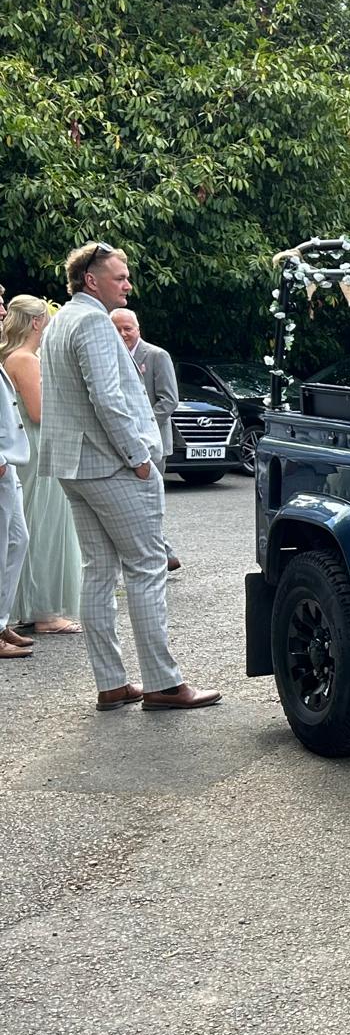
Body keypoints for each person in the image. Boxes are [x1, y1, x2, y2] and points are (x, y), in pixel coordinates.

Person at [36, 242, 219, 711]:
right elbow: (108, 397)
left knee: (98, 572)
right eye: (120, 277)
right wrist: (138, 455)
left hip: (73, 465)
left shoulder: (60, 322)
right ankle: (162, 683)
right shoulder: (94, 322)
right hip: (110, 464)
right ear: (91, 280)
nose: (128, 284)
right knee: (146, 568)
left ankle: (112, 684)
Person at [0, 295, 82, 634]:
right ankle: (44, 611)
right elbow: (39, 412)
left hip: (28, 449)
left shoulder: (10, 356)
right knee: (44, 526)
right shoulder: (25, 359)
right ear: (37, 322)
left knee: (25, 527)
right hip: (36, 447)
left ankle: (27, 608)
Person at [110, 308, 180, 571]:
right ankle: (162, 553)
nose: (123, 333)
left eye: (127, 328)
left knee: (149, 502)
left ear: (138, 329)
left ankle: (160, 554)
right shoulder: (110, 356)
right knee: (131, 503)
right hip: (122, 443)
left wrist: (141, 429)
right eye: (116, 328)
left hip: (152, 443)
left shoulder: (156, 355)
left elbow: (169, 400)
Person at [0, 340, 32, 659]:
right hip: (2, 462)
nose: (3, 311)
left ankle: (2, 620)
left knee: (18, 540)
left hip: (10, 463)